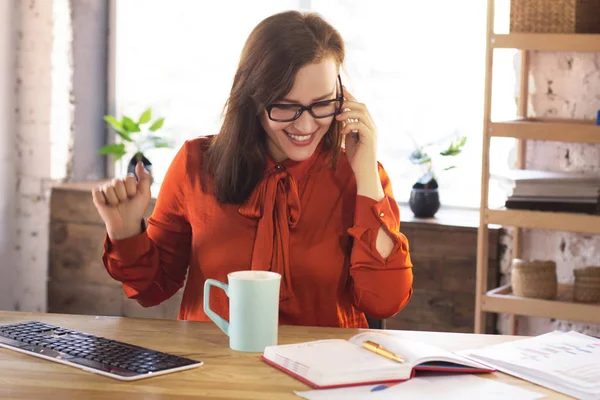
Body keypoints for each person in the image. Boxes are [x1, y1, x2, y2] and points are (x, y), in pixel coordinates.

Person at [92, 10, 413, 329]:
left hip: (324, 368)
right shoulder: (196, 162)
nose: (305, 124)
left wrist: (366, 172)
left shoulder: (360, 175)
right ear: (253, 98)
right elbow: (152, 289)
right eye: (286, 105)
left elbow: (384, 301)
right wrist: (125, 231)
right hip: (214, 367)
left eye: (322, 104)